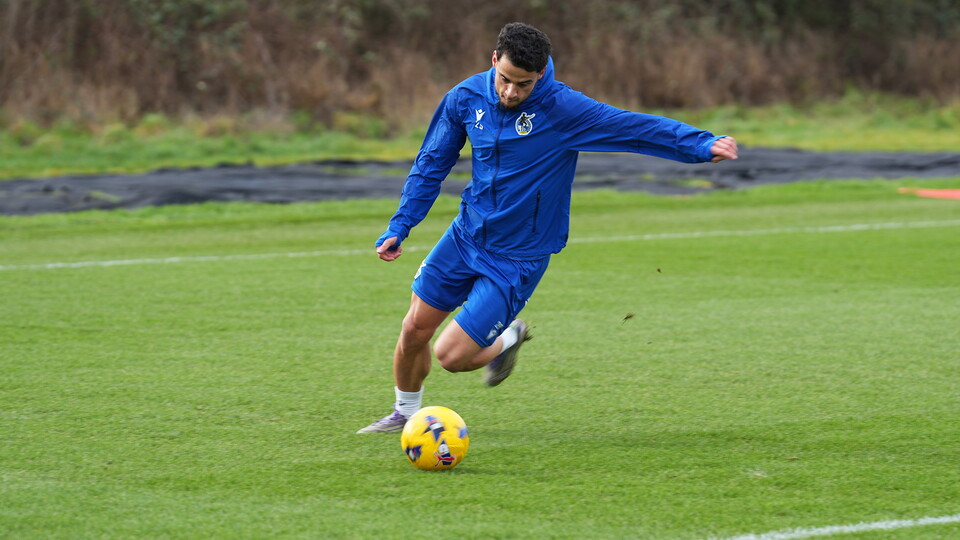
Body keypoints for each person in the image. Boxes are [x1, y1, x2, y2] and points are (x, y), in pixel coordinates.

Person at [357, 22, 738, 433]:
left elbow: (633, 129)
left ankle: (507, 339)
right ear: (493, 60)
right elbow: (432, 163)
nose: (510, 92)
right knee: (414, 328)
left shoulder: (562, 109)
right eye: (504, 80)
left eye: (523, 84)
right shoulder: (465, 98)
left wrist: (699, 144)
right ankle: (405, 414)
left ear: (539, 75)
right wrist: (402, 224)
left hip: (518, 257)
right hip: (466, 236)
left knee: (452, 356)